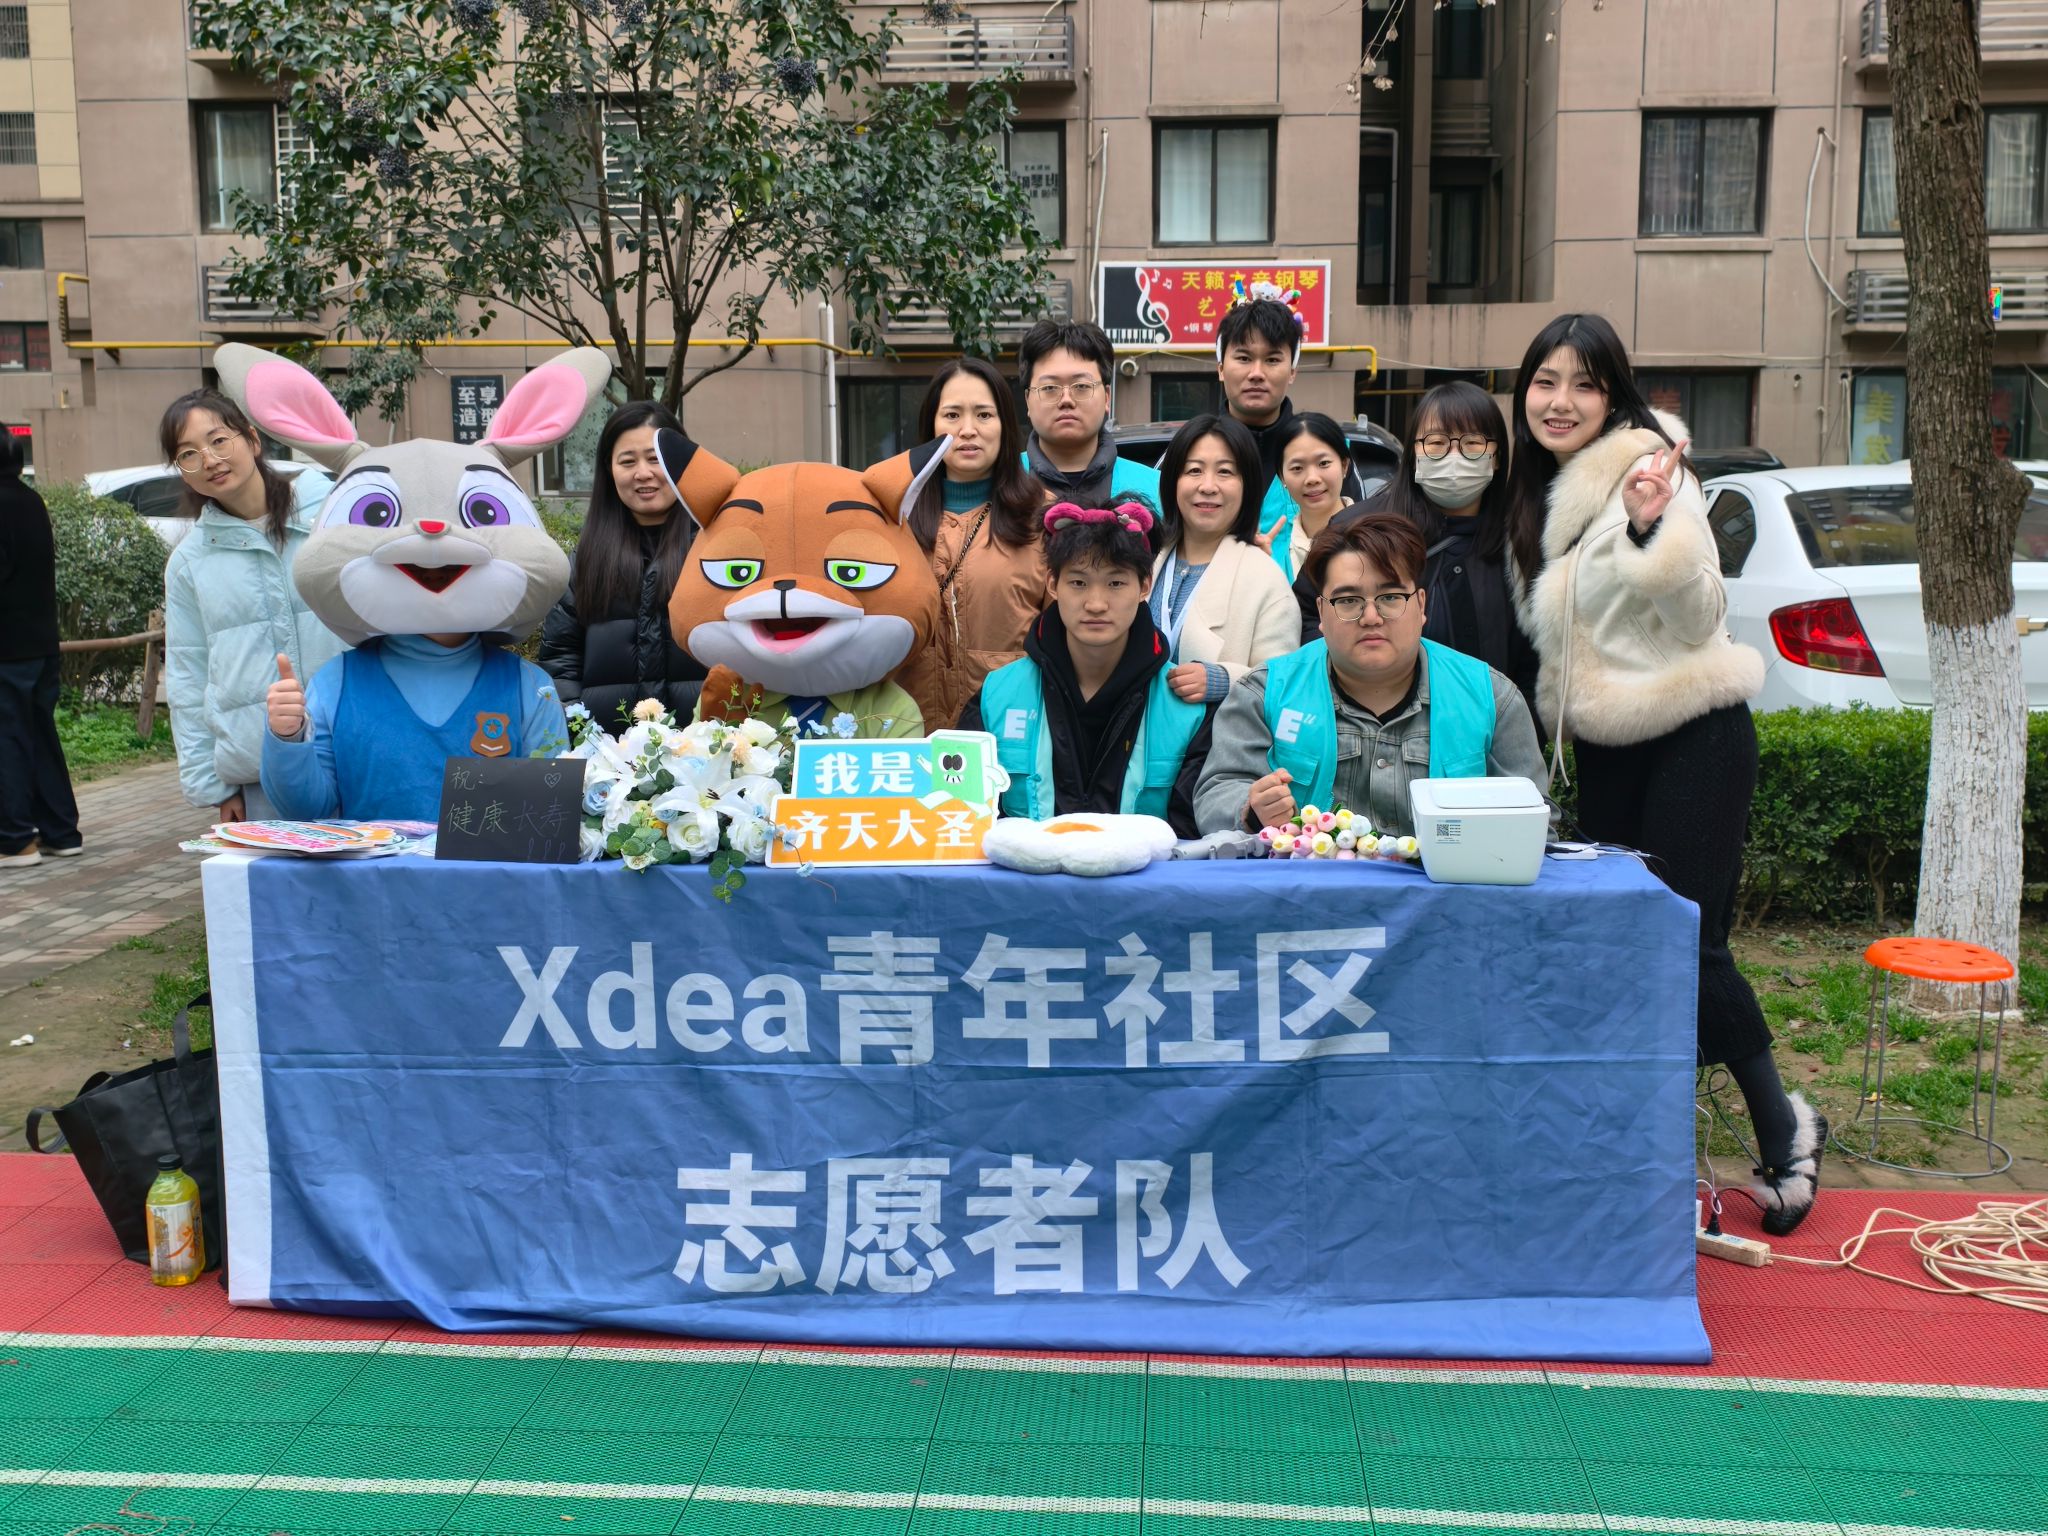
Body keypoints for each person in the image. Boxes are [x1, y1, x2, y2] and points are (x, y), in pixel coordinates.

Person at [1504, 311, 1820, 1235]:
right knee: (1627, 947)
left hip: (1693, 727)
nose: (1561, 401)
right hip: (1609, 745)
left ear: (1616, 395)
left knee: (1685, 941)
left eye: (1585, 382)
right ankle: (1643, 1147)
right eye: (1545, 381)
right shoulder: (1542, 492)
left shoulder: (1654, 472)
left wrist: (1652, 536)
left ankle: (1786, 1127)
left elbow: (1702, 615)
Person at [1195, 512, 1546, 840]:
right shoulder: (1264, 694)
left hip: (1444, 886)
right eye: (1348, 601)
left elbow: (1536, 823)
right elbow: (1216, 794)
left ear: (1421, 605)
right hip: (1307, 884)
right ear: (1321, 613)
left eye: (1390, 597)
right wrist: (1252, 810)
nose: (1371, 617)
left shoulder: (1491, 698)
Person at [963, 500, 1214, 837]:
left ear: (1144, 586)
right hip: (1027, 871)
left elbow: (1192, 833)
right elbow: (966, 817)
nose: (1096, 604)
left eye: (1116, 583)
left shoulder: (1186, 708)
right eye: (1079, 583)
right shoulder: (997, 696)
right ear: (1053, 584)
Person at [1296, 385, 1539, 714]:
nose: (1454, 458)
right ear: (1414, 453)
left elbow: (1531, 655)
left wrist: (1519, 723)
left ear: (1496, 456)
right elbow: (1307, 611)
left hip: (1486, 727)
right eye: (1436, 443)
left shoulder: (1520, 539)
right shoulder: (1360, 528)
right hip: (1372, 724)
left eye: (1472, 444)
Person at [159, 389, 342, 824]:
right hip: (262, 772)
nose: (209, 460)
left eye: (219, 440)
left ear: (253, 440)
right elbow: (188, 678)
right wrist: (215, 787)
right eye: (188, 454)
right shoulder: (189, 563)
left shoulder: (330, 517)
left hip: (358, 748)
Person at [896, 357, 1047, 732]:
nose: (968, 430)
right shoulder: (892, 516)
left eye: (984, 415)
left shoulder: (1042, 518)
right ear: (931, 426)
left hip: (1010, 729)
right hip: (906, 731)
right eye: (952, 415)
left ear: (1004, 425)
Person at [539, 401, 707, 731]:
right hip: (605, 753)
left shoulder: (714, 552)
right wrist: (583, 735)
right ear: (609, 469)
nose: (643, 473)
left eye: (655, 459)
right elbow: (560, 660)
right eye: (628, 461)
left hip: (707, 749)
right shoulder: (586, 559)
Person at [1151, 415, 1300, 706]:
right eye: (1194, 470)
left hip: (1213, 733)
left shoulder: (1266, 580)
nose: (1208, 486)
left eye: (1225, 472)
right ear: (1172, 481)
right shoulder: (1145, 557)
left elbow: (1284, 682)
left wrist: (1224, 680)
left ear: (1248, 486)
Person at [1214, 295, 1364, 574]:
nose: (1256, 373)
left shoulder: (1330, 453)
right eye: (1244, 358)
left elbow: (1361, 547)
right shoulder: (1189, 454)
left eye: (1272, 359)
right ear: (1221, 368)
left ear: (1292, 371)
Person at [0, 432, 82, 868]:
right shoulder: (30, 501)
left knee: (8, 739)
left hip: (6, 648)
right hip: (39, 642)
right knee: (39, 734)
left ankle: (15, 840)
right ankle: (61, 832)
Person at [1017, 318, 1162, 511]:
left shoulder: (1155, 489)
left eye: (1081, 386)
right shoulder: (1001, 483)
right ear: (1028, 400)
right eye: (1050, 387)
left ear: (1107, 397)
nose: (1066, 399)